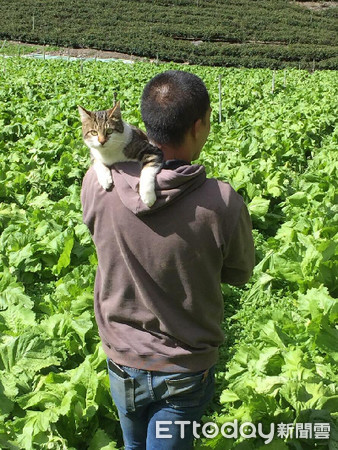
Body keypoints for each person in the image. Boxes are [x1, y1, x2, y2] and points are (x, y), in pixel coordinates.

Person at [81, 70, 255, 450]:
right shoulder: (222, 202)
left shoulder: (96, 182)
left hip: (121, 355)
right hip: (184, 366)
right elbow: (240, 274)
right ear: (198, 125)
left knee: (133, 446)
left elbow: (97, 235)